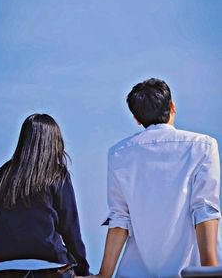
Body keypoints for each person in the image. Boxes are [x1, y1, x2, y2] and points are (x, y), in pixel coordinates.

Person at [87, 78, 221, 278]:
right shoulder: (203, 146)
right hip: (185, 272)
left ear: (137, 119)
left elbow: (120, 219)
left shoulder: (118, 153)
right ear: (172, 107)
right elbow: (205, 211)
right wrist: (210, 271)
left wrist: (103, 275)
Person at [0, 113, 90, 278]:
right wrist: (83, 269)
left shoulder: (3, 174)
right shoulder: (56, 174)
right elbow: (69, 227)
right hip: (48, 263)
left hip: (3, 264)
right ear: (53, 141)